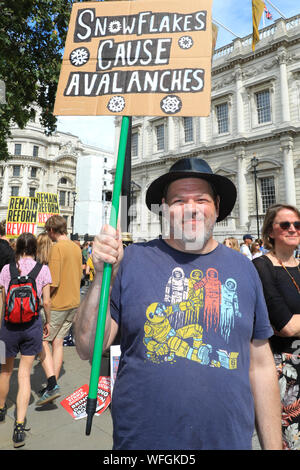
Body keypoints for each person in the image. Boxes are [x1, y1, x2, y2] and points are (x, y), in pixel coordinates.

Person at [74, 157, 282, 450]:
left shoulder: (245, 268)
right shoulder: (130, 261)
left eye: (201, 199)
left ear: (217, 207)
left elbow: (261, 366)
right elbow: (86, 347)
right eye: (179, 200)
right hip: (144, 442)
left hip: (228, 440)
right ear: (164, 208)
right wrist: (100, 278)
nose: (191, 208)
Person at [252, 204, 300, 450]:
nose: (292, 229)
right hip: (286, 371)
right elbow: (286, 326)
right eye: (285, 225)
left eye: (297, 225)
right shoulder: (262, 266)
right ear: (270, 231)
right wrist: (292, 322)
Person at [0, 233, 51, 447]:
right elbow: (46, 302)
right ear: (35, 249)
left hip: (7, 328)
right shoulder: (43, 270)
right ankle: (19, 426)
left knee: (4, 371)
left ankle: (1, 408)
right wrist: (47, 322)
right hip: (32, 326)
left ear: (17, 247)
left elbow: (2, 301)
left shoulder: (5, 270)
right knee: (24, 375)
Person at [36, 215, 82, 406]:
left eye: (48, 231)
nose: (48, 235)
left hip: (58, 303)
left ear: (52, 231)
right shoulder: (75, 247)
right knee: (58, 342)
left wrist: (41, 298)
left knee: (42, 341)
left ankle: (52, 384)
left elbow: (52, 282)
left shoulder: (57, 249)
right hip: (74, 301)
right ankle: (50, 384)